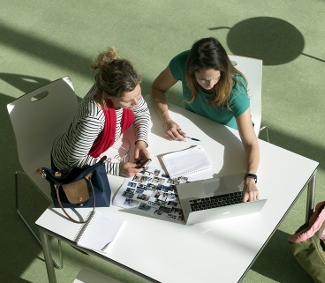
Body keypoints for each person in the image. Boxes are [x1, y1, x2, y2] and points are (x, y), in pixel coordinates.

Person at [151, 37, 260, 201]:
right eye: (204, 79)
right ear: (191, 71)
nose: (211, 84)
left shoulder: (236, 91)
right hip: (194, 129)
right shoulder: (181, 62)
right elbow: (157, 87)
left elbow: (251, 143)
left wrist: (251, 177)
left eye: (217, 78)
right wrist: (166, 119)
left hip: (229, 137)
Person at [50, 47, 151, 177]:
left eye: (139, 94)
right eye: (128, 101)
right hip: (69, 169)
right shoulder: (93, 119)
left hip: (101, 153)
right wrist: (116, 169)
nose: (136, 103)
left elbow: (142, 112)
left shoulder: (126, 87)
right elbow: (75, 160)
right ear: (109, 96)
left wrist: (141, 141)